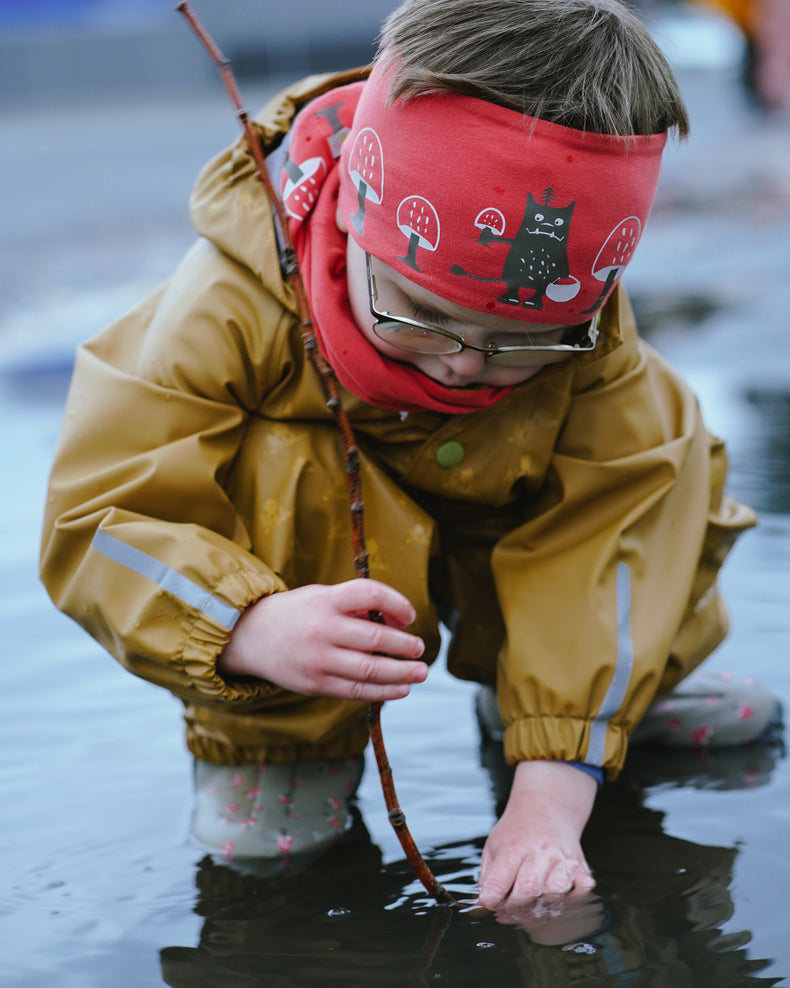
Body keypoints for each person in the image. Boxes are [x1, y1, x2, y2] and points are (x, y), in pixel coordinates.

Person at [40, 0, 773, 912]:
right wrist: (246, 627)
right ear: (352, 215)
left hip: (528, 549)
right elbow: (101, 514)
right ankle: (286, 741)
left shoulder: (597, 351)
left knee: (662, 451)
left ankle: (575, 710)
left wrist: (549, 796)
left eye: (522, 342)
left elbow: (617, 533)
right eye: (417, 316)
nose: (467, 360)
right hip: (289, 635)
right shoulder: (229, 306)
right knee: (282, 462)